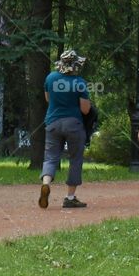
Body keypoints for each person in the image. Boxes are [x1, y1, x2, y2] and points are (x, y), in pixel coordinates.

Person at [39, 50, 91, 209]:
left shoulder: (50, 78)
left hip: (52, 123)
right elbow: (85, 110)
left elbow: (48, 98)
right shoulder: (80, 82)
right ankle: (70, 197)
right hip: (73, 124)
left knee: (50, 158)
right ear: (76, 65)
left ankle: (46, 183)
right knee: (75, 159)